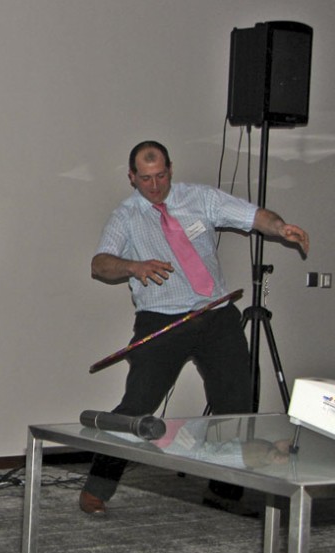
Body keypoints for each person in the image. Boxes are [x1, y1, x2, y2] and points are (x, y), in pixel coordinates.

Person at [79, 140, 308, 516]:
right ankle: (97, 488)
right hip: (161, 321)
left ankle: (226, 491)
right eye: (146, 179)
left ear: (171, 169)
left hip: (216, 314)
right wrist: (133, 267)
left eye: (161, 176)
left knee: (237, 403)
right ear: (132, 178)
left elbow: (253, 216)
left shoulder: (199, 198)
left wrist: (280, 228)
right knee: (137, 406)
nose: (155, 186)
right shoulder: (126, 215)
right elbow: (99, 264)